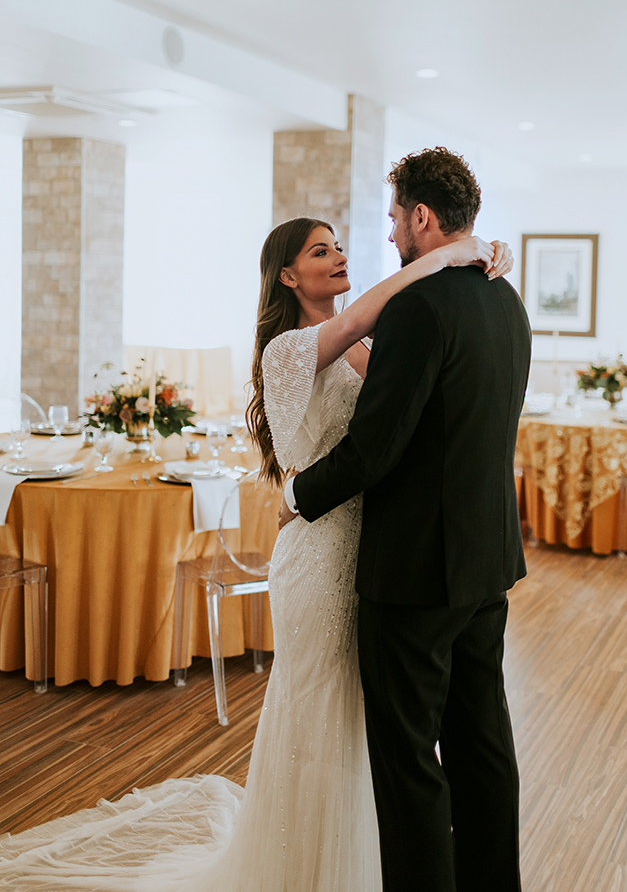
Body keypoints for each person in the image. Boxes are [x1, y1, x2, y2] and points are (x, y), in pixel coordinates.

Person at [0, 208, 512, 892]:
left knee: (363, 722)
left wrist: (478, 256)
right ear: (288, 275)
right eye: (319, 251)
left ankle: (361, 861)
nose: (337, 257)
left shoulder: (363, 343)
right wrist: (451, 254)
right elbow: (362, 320)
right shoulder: (293, 350)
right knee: (320, 713)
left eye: (338, 246)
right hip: (319, 557)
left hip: (372, 550)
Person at [280, 147, 532, 892]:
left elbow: (375, 447)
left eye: (394, 218)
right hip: (486, 562)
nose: (391, 235)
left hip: (416, 572)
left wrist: (296, 498)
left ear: (422, 216)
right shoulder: (504, 299)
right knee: (483, 743)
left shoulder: (420, 306)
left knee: (409, 761)